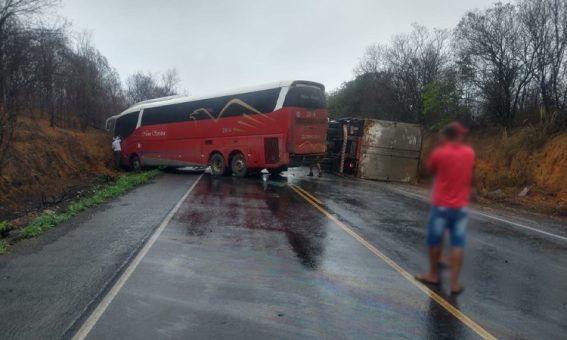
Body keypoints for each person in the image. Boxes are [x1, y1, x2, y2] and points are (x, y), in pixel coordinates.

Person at [415, 122, 475, 295]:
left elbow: (430, 169)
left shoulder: (440, 153)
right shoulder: (469, 153)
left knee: (435, 240)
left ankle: (433, 274)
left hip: (441, 206)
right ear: (458, 136)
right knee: (458, 243)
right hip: (461, 208)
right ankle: (454, 283)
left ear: (445, 137)